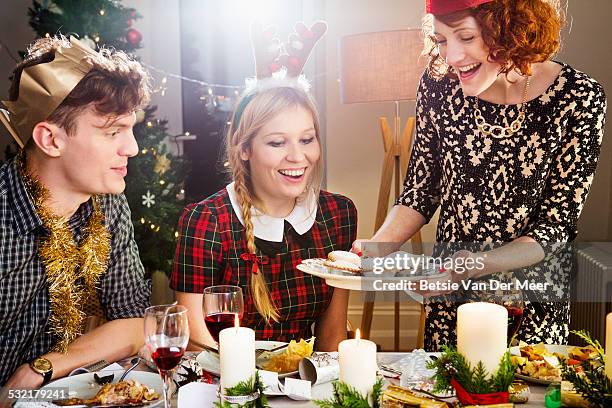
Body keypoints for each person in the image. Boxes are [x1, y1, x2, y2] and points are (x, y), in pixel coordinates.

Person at [355, 0, 606, 351]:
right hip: (452, 298)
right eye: (441, 40)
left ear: (510, 28)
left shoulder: (579, 98)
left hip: (531, 305)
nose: (453, 56)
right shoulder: (439, 85)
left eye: (466, 37)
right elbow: (421, 191)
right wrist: (375, 249)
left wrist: (477, 263)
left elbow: (555, 227)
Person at [172, 22, 356, 351]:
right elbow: (196, 341)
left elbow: (331, 333)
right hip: (228, 384)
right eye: (276, 143)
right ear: (244, 149)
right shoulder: (206, 221)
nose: (297, 157)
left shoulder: (338, 214)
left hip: (302, 382)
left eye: (306, 139)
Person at [0, 36, 151, 388]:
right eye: (113, 131)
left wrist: (41, 369)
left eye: (130, 129)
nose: (132, 148)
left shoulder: (108, 204)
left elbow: (135, 323)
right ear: (51, 140)